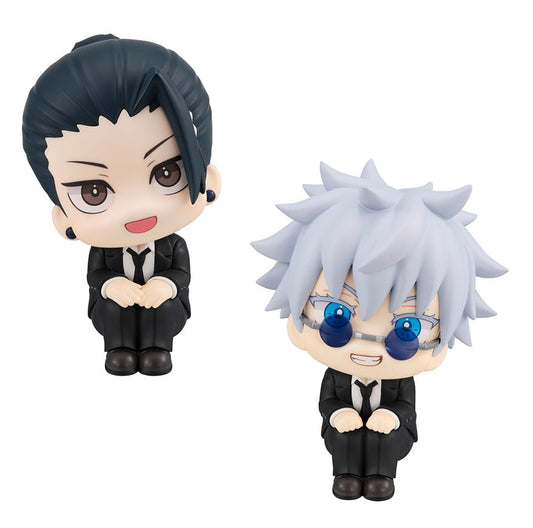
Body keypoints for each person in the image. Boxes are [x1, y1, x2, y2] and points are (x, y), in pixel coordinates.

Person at [253, 160, 506, 500]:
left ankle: (380, 476)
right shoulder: (336, 376)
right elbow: (327, 402)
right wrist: (338, 413)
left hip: (391, 434)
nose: (367, 347)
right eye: (337, 318)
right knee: (341, 434)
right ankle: (344, 474)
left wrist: (391, 415)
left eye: (407, 330)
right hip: (343, 430)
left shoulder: (401, 381)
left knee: (384, 437)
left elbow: (406, 407)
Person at [22, 35, 221, 376]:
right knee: (112, 308)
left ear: (209, 180)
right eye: (94, 193)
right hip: (113, 312)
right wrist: (112, 286)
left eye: (167, 173)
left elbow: (181, 274)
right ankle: (119, 349)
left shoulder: (173, 245)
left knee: (165, 307)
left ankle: (158, 349)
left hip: (165, 308)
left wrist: (165, 285)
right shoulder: (103, 251)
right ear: (64, 219)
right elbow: (96, 275)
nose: (137, 208)